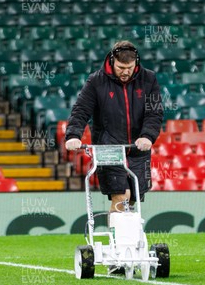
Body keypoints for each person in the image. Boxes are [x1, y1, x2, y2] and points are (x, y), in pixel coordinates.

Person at [65, 40, 164, 213]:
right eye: (121, 68)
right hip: (108, 147)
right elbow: (81, 110)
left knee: (133, 197)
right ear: (112, 61)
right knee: (121, 196)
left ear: (136, 62)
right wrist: (73, 135)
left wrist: (147, 135)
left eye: (130, 67)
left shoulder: (149, 79)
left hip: (137, 148)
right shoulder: (96, 81)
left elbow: (154, 112)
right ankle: (118, 240)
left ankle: (127, 237)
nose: (126, 72)